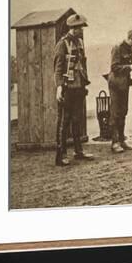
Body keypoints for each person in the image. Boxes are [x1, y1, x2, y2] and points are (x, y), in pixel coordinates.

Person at [53, 13, 94, 166]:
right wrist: (58, 87)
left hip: (78, 87)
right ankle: (61, 154)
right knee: (64, 121)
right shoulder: (62, 44)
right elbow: (58, 68)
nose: (80, 31)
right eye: (78, 28)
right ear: (72, 28)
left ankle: (79, 151)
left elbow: (82, 65)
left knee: (77, 120)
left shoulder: (80, 43)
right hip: (66, 88)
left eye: (81, 28)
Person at [107, 29, 132, 153]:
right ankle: (114, 142)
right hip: (115, 83)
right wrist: (129, 67)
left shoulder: (131, 48)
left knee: (124, 111)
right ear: (128, 38)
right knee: (115, 112)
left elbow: (129, 64)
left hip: (124, 84)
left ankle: (122, 140)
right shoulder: (117, 47)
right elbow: (114, 67)